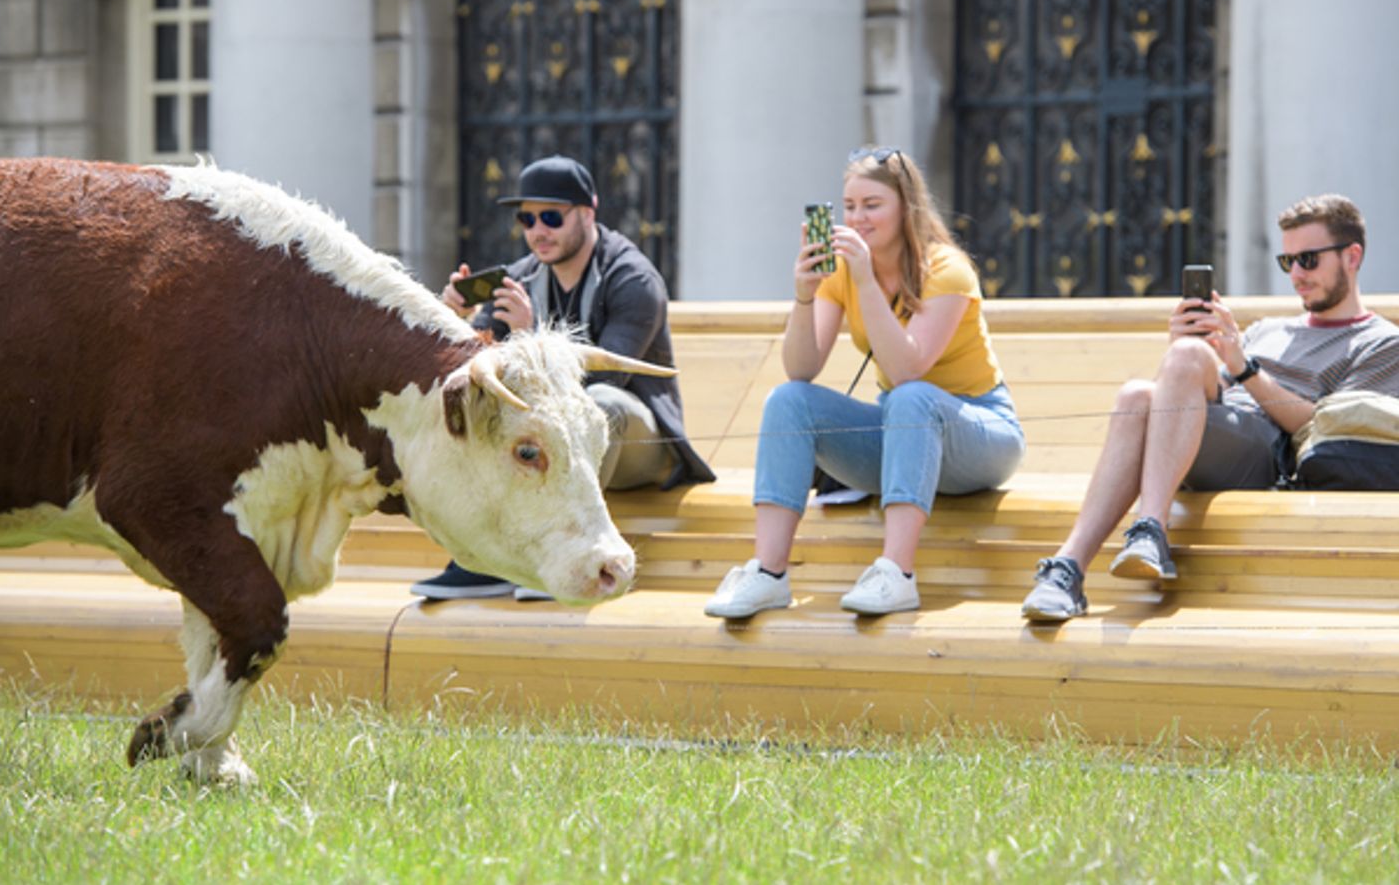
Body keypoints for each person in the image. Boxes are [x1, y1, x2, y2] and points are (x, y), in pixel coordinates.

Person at [1022, 193, 1399, 622]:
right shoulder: (1267, 330)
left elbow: (1323, 429)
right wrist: (1181, 352)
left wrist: (1243, 366)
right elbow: (1200, 393)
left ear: (1352, 257)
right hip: (1216, 434)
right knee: (1136, 394)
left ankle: (1148, 529)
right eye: (1287, 261)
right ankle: (1067, 569)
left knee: (1182, 364)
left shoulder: (1381, 343)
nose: (1296, 274)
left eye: (1309, 259)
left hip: (1273, 458)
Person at [703, 147, 1026, 619]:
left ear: (906, 208)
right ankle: (768, 574)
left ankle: (896, 574)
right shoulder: (844, 274)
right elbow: (802, 368)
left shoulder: (947, 270)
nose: (858, 218)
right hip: (905, 436)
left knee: (910, 396)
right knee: (789, 400)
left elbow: (906, 370)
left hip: (979, 436)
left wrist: (867, 284)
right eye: (849, 206)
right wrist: (804, 295)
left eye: (872, 205)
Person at [412, 155, 715, 600]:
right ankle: (485, 559)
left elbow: (608, 379)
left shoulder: (633, 278)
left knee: (600, 405)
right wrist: (454, 319)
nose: (538, 231)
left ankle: (571, 556)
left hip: (642, 442)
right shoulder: (519, 278)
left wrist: (527, 334)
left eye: (551, 216)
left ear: (588, 214)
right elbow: (475, 373)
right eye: (527, 218)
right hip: (557, 442)